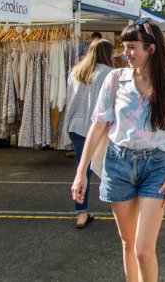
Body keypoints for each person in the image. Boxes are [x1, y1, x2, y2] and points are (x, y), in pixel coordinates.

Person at [71, 19, 165, 281]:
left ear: (152, 48)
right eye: (124, 47)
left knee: (144, 250)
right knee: (127, 243)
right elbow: (98, 124)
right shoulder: (115, 79)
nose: (126, 53)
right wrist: (82, 171)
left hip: (157, 166)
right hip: (118, 163)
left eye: (132, 47)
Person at [65, 38, 114, 228]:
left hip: (76, 125)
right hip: (100, 128)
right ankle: (116, 206)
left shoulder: (76, 72)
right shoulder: (109, 74)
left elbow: (69, 98)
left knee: (82, 169)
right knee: (108, 167)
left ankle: (81, 212)